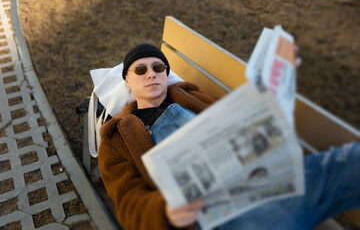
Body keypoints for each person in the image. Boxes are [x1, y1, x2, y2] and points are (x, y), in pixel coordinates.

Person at [98, 43, 360, 230]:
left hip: (279, 178)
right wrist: (164, 211)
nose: (151, 73)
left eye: (158, 67)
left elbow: (244, 126)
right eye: (140, 70)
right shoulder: (116, 139)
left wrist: (273, 94)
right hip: (228, 211)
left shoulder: (194, 98)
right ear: (127, 82)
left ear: (166, 74)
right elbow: (128, 203)